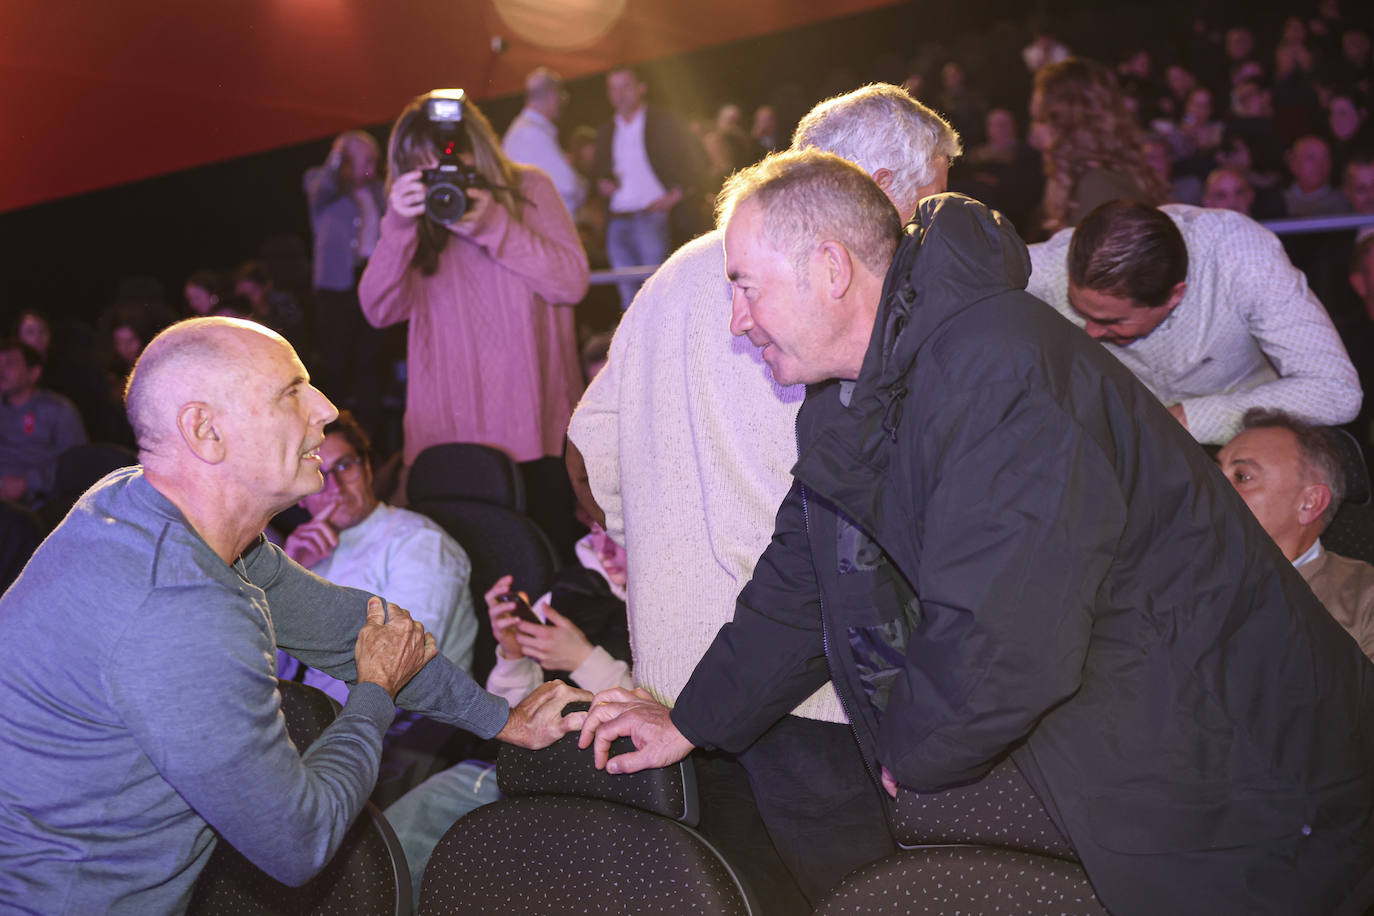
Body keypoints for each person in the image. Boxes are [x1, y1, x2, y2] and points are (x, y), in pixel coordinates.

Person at [580, 150, 1374, 916]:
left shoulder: (996, 364)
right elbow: (804, 581)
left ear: (830, 268)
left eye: (747, 288)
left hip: (1244, 753)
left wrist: (915, 750)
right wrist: (690, 720)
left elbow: (1007, 636)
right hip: (1154, 741)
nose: (736, 319)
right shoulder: (850, 397)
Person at [0, 317, 588, 913]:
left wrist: (503, 720)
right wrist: (375, 693)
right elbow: (298, 844)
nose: (326, 409)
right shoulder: (178, 609)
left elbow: (351, 627)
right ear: (205, 430)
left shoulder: (136, 502)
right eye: (291, 392)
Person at [568, 83, 961, 907]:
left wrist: (657, 542)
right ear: (878, 184)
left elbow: (585, 450)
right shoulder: (845, 307)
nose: (928, 228)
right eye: (929, 201)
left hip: (677, 680)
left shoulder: (677, 270)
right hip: (816, 692)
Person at [360, 90, 589, 481]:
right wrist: (398, 227)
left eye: (450, 160)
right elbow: (378, 311)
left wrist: (495, 226)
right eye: (424, 169)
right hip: (448, 436)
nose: (442, 177)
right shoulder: (413, 225)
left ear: (476, 151)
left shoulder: (528, 187)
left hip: (538, 428)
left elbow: (571, 285)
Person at [1025, 200, 1361, 445]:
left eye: (1112, 320)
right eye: (1079, 310)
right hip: (1118, 442)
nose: (1092, 331)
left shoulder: (1243, 260)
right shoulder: (1051, 265)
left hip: (1246, 438)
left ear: (1175, 294)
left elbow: (1336, 391)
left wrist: (1189, 418)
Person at [280, 410, 478, 695]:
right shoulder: (304, 554)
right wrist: (287, 573)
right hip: (312, 708)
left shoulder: (420, 543)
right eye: (318, 473)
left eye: (344, 466)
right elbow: (270, 665)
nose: (335, 488)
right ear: (299, 495)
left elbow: (398, 667)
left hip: (399, 715)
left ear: (368, 468)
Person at [1217, 409, 1374, 660]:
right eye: (1213, 474)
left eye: (1242, 477)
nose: (1213, 488)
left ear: (1309, 503)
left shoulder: (1364, 600)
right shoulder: (1170, 569)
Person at [594, 65, 707, 308]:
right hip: (618, 219)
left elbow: (697, 160)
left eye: (625, 86)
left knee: (656, 293)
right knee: (627, 296)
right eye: (613, 88)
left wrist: (677, 194)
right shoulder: (605, 132)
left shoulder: (664, 121)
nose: (619, 94)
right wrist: (603, 184)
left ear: (641, 88)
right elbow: (599, 173)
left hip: (652, 214)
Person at [304, 128, 388, 435]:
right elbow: (324, 187)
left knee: (371, 358)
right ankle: (332, 434)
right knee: (336, 359)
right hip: (336, 285)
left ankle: (371, 435)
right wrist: (339, 155)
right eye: (366, 161)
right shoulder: (320, 182)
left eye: (374, 161)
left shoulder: (378, 189)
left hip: (372, 279)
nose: (371, 169)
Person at [1028, 57, 1166, 236]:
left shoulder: (1096, 190)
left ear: (1064, 124)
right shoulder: (1103, 176)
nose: (1033, 132)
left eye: (1039, 119)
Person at [0, 338, 86, 509]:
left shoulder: (58, 409)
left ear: (34, 373)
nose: (1, 370)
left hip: (43, 503)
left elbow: (78, 462)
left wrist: (28, 483)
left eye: (9, 364)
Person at [502, 67, 585, 218]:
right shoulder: (531, 133)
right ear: (553, 96)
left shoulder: (521, 130)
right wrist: (584, 186)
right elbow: (569, 186)